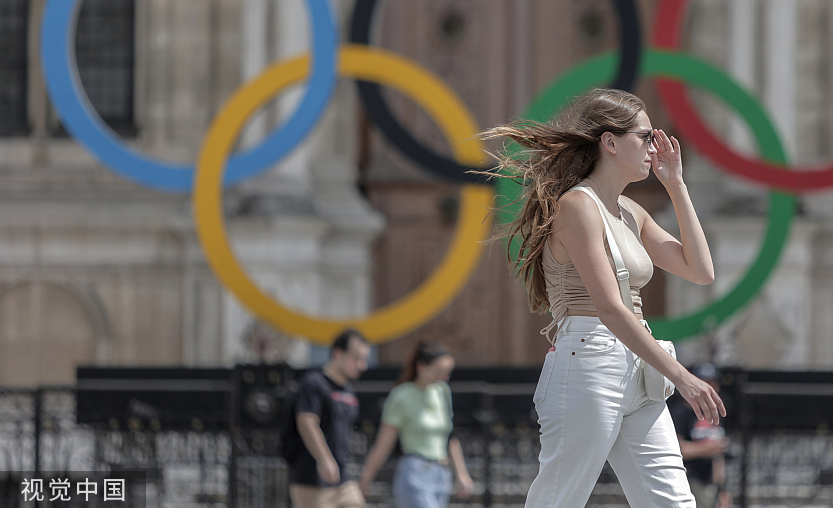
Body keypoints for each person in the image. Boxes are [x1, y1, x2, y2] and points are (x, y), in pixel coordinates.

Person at [482, 88, 726, 507]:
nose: (655, 146)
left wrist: (677, 186)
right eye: (645, 137)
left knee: (674, 502)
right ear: (610, 142)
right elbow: (610, 306)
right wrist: (682, 376)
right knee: (559, 499)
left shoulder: (630, 211)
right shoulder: (577, 206)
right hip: (589, 360)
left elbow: (701, 271)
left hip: (638, 367)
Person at [358, 341, 474, 508]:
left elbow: (449, 437)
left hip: (442, 474)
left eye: (447, 373)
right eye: (438, 372)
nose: (444, 378)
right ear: (421, 367)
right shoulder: (401, 395)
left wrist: (461, 474)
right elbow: (384, 443)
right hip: (415, 472)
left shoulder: (442, 391)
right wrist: (366, 478)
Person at [288, 328, 372, 508]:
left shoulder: (347, 390)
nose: (362, 365)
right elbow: (306, 422)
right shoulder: (314, 383)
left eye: (364, 360)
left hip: (343, 478)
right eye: (356, 358)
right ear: (338, 354)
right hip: (312, 480)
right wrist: (324, 459)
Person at [670, 363, 732, 508]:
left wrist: (722, 490)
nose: (710, 387)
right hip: (688, 480)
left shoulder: (715, 414)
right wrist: (708, 449)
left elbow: (718, 456)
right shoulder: (681, 413)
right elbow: (677, 450)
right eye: (705, 382)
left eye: (713, 382)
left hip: (710, 482)